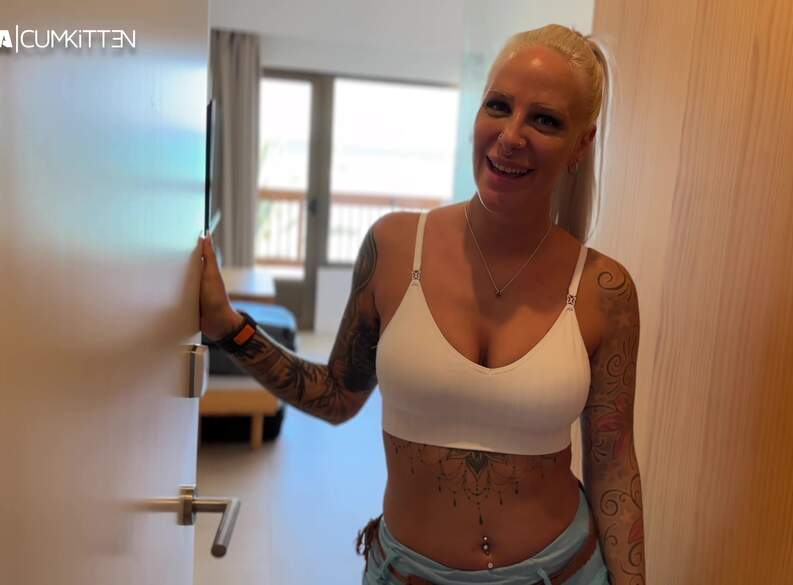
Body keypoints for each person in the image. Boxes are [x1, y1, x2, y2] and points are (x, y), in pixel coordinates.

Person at [199, 23, 645, 585]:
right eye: (499, 106)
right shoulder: (393, 249)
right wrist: (228, 325)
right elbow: (336, 396)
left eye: (545, 120)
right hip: (406, 574)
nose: (511, 136)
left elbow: (614, 466)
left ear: (582, 143)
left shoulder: (605, 290)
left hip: (564, 572)